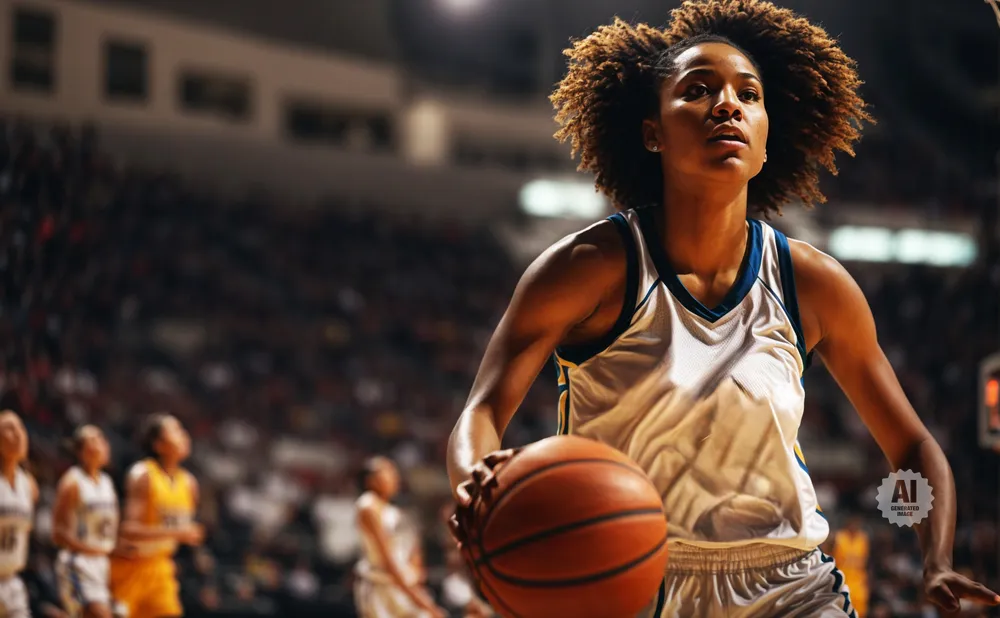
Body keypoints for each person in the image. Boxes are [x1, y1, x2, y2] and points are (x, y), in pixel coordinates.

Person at [446, 0, 1000, 616]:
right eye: (698, 90)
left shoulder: (814, 284)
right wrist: (480, 486)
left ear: (767, 139)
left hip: (792, 587)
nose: (727, 104)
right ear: (651, 131)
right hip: (633, 580)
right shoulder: (588, 267)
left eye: (749, 94)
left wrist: (936, 556)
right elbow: (483, 411)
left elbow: (911, 448)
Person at [110, 414, 203, 618]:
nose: (184, 435)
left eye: (183, 430)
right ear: (159, 445)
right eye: (176, 431)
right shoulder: (144, 475)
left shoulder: (189, 483)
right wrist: (179, 532)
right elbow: (128, 530)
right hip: (129, 566)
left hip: (161, 566)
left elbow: (183, 533)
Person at [354, 457, 446, 618]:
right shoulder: (368, 505)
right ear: (370, 480)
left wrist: (416, 578)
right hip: (380, 585)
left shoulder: (397, 512)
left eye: (394, 472)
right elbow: (388, 562)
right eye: (387, 471)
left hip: (403, 584)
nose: (394, 476)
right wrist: (423, 601)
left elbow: (412, 552)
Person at [52, 426, 119, 618]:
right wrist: (91, 549)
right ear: (81, 452)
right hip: (79, 563)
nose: (103, 444)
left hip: (102, 562)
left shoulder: (107, 482)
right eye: (95, 440)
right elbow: (58, 533)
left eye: (103, 439)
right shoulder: (72, 482)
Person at [0, 411, 38, 618]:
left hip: (13, 579)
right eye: (9, 429)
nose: (19, 434)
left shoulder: (29, 485)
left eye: (21, 428)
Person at [832, 516, 871, 617]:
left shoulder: (863, 538)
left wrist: (867, 582)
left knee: (860, 613)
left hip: (858, 583)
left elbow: (866, 562)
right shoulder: (838, 537)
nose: (855, 526)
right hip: (842, 581)